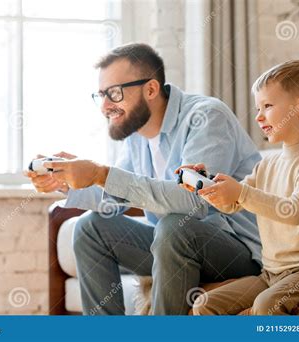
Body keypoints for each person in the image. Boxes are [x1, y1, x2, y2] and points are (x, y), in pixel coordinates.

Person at [26, 43, 262, 315]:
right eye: (101, 95)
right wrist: (65, 181)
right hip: (172, 245)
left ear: (150, 89)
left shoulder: (206, 116)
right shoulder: (137, 134)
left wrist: (100, 173)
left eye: (114, 93)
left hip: (237, 249)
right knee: (90, 228)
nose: (104, 106)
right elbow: (118, 197)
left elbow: (192, 201)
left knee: (175, 227)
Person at [183, 60, 299, 315]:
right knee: (205, 304)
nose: (258, 116)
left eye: (267, 106)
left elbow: (294, 211)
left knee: (266, 305)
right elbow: (232, 204)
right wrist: (207, 185)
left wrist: (241, 192)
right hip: (271, 273)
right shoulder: (266, 165)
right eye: (258, 107)